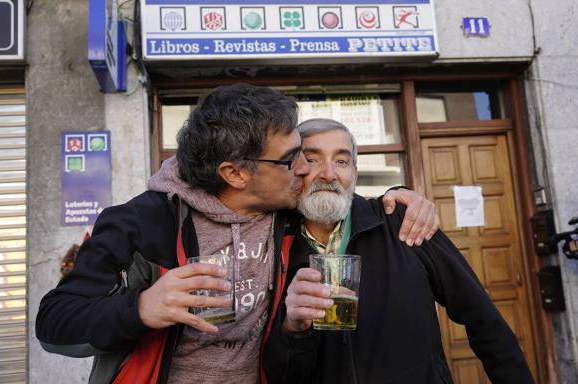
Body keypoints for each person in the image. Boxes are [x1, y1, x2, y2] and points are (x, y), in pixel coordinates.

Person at [35, 84, 439, 384]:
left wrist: (399, 198)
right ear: (235, 173)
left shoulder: (287, 211)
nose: (305, 169)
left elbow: (337, 196)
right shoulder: (141, 223)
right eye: (290, 159)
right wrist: (140, 308)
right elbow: (54, 323)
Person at [263, 118, 534, 383]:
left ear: (354, 174)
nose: (329, 174)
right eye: (312, 159)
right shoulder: (274, 247)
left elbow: (483, 318)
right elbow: (281, 374)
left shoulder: (403, 223)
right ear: (294, 169)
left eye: (342, 161)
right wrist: (294, 331)